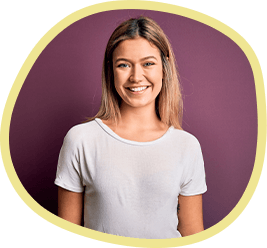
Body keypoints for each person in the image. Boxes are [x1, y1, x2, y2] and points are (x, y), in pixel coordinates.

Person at [54, 16, 207, 239]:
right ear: (111, 70)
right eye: (124, 64)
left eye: (148, 63)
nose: (136, 77)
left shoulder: (187, 146)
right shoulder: (81, 140)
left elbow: (193, 234)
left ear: (164, 68)